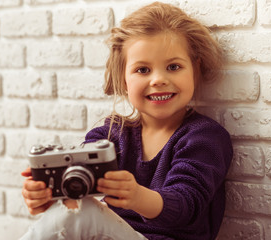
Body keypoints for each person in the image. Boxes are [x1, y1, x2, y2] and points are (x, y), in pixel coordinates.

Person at [20, 2, 233, 240]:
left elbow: (187, 205)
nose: (158, 80)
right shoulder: (109, 136)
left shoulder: (204, 137)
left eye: (174, 67)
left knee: (83, 214)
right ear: (123, 79)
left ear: (195, 68)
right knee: (75, 211)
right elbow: (76, 199)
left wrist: (137, 197)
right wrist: (50, 197)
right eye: (143, 70)